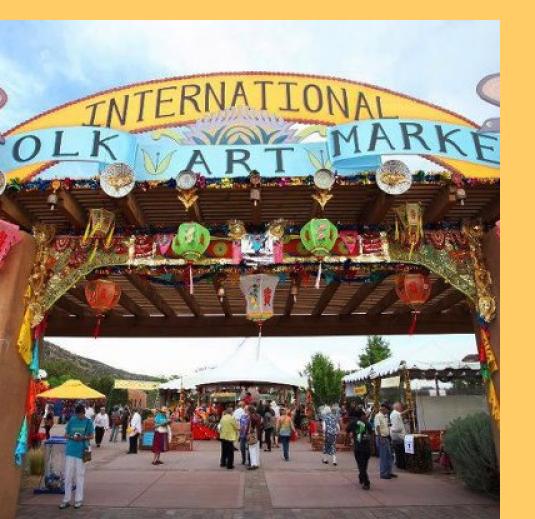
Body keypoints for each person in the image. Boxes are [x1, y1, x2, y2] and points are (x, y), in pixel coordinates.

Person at [59, 403, 94, 510]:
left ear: (84, 412)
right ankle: (66, 500)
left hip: (82, 451)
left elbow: (91, 436)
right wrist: (72, 437)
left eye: (81, 415)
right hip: (70, 451)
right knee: (68, 475)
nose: (79, 416)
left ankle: (79, 500)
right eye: (78, 415)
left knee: (80, 475)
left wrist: (82, 437)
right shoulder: (72, 420)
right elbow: (65, 435)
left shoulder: (88, 422)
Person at [347, 408, 373, 490]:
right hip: (367, 446)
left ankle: (366, 482)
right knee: (364, 465)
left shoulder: (353, 422)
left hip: (358, 447)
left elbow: (347, 430)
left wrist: (353, 433)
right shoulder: (367, 422)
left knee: (361, 465)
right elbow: (371, 432)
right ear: (362, 415)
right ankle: (362, 476)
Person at [375, 402, 397, 480]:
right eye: (387, 410)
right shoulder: (378, 416)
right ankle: (383, 473)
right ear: (384, 408)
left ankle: (389, 472)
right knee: (383, 456)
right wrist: (380, 437)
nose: (388, 411)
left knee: (389, 456)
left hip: (386, 438)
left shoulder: (385, 417)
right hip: (381, 438)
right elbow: (377, 427)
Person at [390, 402, 408, 470]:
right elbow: (397, 428)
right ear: (397, 407)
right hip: (399, 436)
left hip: (395, 436)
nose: (401, 408)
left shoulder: (393, 413)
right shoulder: (396, 414)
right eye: (401, 407)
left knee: (398, 452)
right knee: (401, 452)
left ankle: (399, 464)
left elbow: (401, 414)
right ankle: (401, 465)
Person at [247, 405, 262, 470]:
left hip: (252, 434)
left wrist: (248, 433)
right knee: (256, 449)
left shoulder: (251, 417)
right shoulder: (258, 415)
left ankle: (253, 464)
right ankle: (257, 463)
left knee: (252, 449)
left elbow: (250, 426)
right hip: (257, 433)